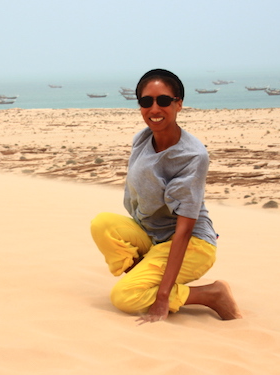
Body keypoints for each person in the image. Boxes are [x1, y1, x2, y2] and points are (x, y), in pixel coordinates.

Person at [90, 69, 242, 324]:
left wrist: (162, 297)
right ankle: (147, 274)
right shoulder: (143, 138)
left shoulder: (192, 156)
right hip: (154, 235)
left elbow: (184, 230)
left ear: (179, 104)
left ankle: (211, 295)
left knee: (123, 297)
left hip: (192, 244)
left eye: (163, 100)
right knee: (102, 224)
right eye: (146, 101)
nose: (154, 108)